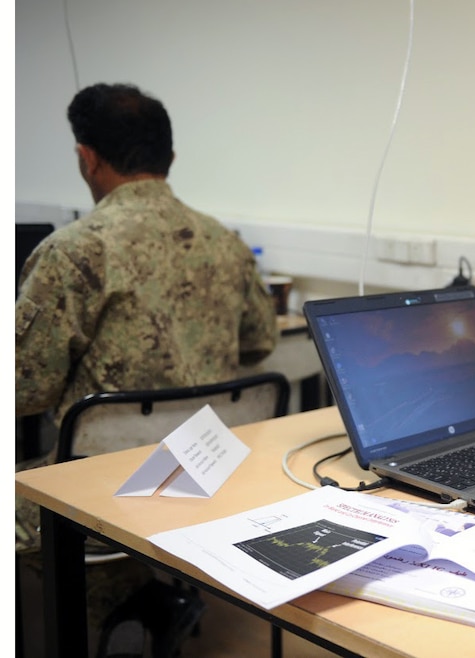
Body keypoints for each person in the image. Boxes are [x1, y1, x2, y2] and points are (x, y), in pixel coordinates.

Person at [15, 82, 279, 654]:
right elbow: (261, 343)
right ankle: (142, 601)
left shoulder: (73, 250)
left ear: (86, 157)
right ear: (170, 159)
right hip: (207, 474)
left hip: (100, 492)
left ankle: (117, 606)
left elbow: (22, 388)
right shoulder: (225, 245)